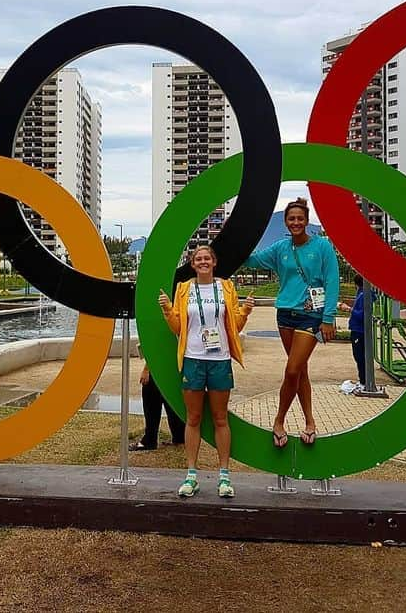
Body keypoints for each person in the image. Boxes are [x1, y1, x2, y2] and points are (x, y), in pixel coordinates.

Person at [159, 244, 254, 499]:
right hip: (193, 358)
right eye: (198, 259)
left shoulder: (226, 287)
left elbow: (234, 323)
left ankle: (224, 476)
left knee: (221, 418)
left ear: (214, 262)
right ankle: (191, 475)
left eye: (207, 258)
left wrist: (244, 311)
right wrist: (168, 310)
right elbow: (178, 328)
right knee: (193, 418)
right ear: (193, 264)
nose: (202, 262)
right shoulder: (184, 289)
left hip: (220, 359)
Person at [243, 198, 339, 448]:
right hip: (285, 314)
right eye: (291, 219)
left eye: (300, 218)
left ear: (307, 221)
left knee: (293, 370)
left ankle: (279, 420)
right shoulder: (280, 248)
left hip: (311, 316)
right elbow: (252, 261)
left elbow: (332, 282)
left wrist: (328, 319)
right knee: (301, 370)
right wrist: (235, 243)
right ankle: (309, 421)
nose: (296, 222)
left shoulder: (322, 247)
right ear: (286, 222)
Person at [128, 360, 186, 451]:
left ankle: (150, 440)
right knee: (172, 399)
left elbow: (157, 349)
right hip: (175, 366)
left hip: (159, 367)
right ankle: (180, 437)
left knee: (151, 393)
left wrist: (147, 369)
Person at [347, 273, 367, 388]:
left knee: (359, 356)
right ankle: (363, 379)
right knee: (360, 356)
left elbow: (362, 315)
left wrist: (349, 309)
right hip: (358, 329)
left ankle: (364, 381)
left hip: (358, 330)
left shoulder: (363, 296)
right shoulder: (362, 294)